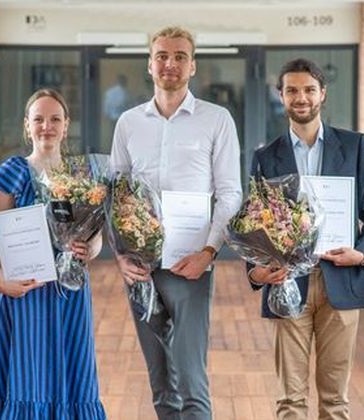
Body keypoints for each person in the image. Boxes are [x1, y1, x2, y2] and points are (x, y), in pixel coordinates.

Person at [110, 26, 242, 419]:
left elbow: (230, 193)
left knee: (191, 382)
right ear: (149, 65)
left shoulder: (216, 119)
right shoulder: (128, 123)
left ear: (193, 66)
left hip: (191, 268)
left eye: (180, 56)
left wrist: (209, 252)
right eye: (162, 56)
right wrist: (120, 256)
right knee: (161, 384)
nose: (171, 63)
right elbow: (116, 196)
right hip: (140, 269)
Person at [248, 58, 364, 420]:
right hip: (287, 283)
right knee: (290, 400)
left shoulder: (354, 146)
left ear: (322, 94)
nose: (301, 98)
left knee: (335, 400)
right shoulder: (265, 157)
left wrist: (362, 254)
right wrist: (256, 271)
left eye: (309, 90)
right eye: (292, 90)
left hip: (341, 280)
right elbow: (252, 224)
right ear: (281, 96)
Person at [0, 88, 106, 419]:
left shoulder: (81, 175)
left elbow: (97, 237)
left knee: (73, 369)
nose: (47, 126)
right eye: (39, 119)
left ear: (66, 125)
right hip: (23, 291)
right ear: (27, 125)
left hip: (69, 292)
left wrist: (89, 249)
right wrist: (0, 283)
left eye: (55, 119)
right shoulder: (13, 172)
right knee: (24, 374)